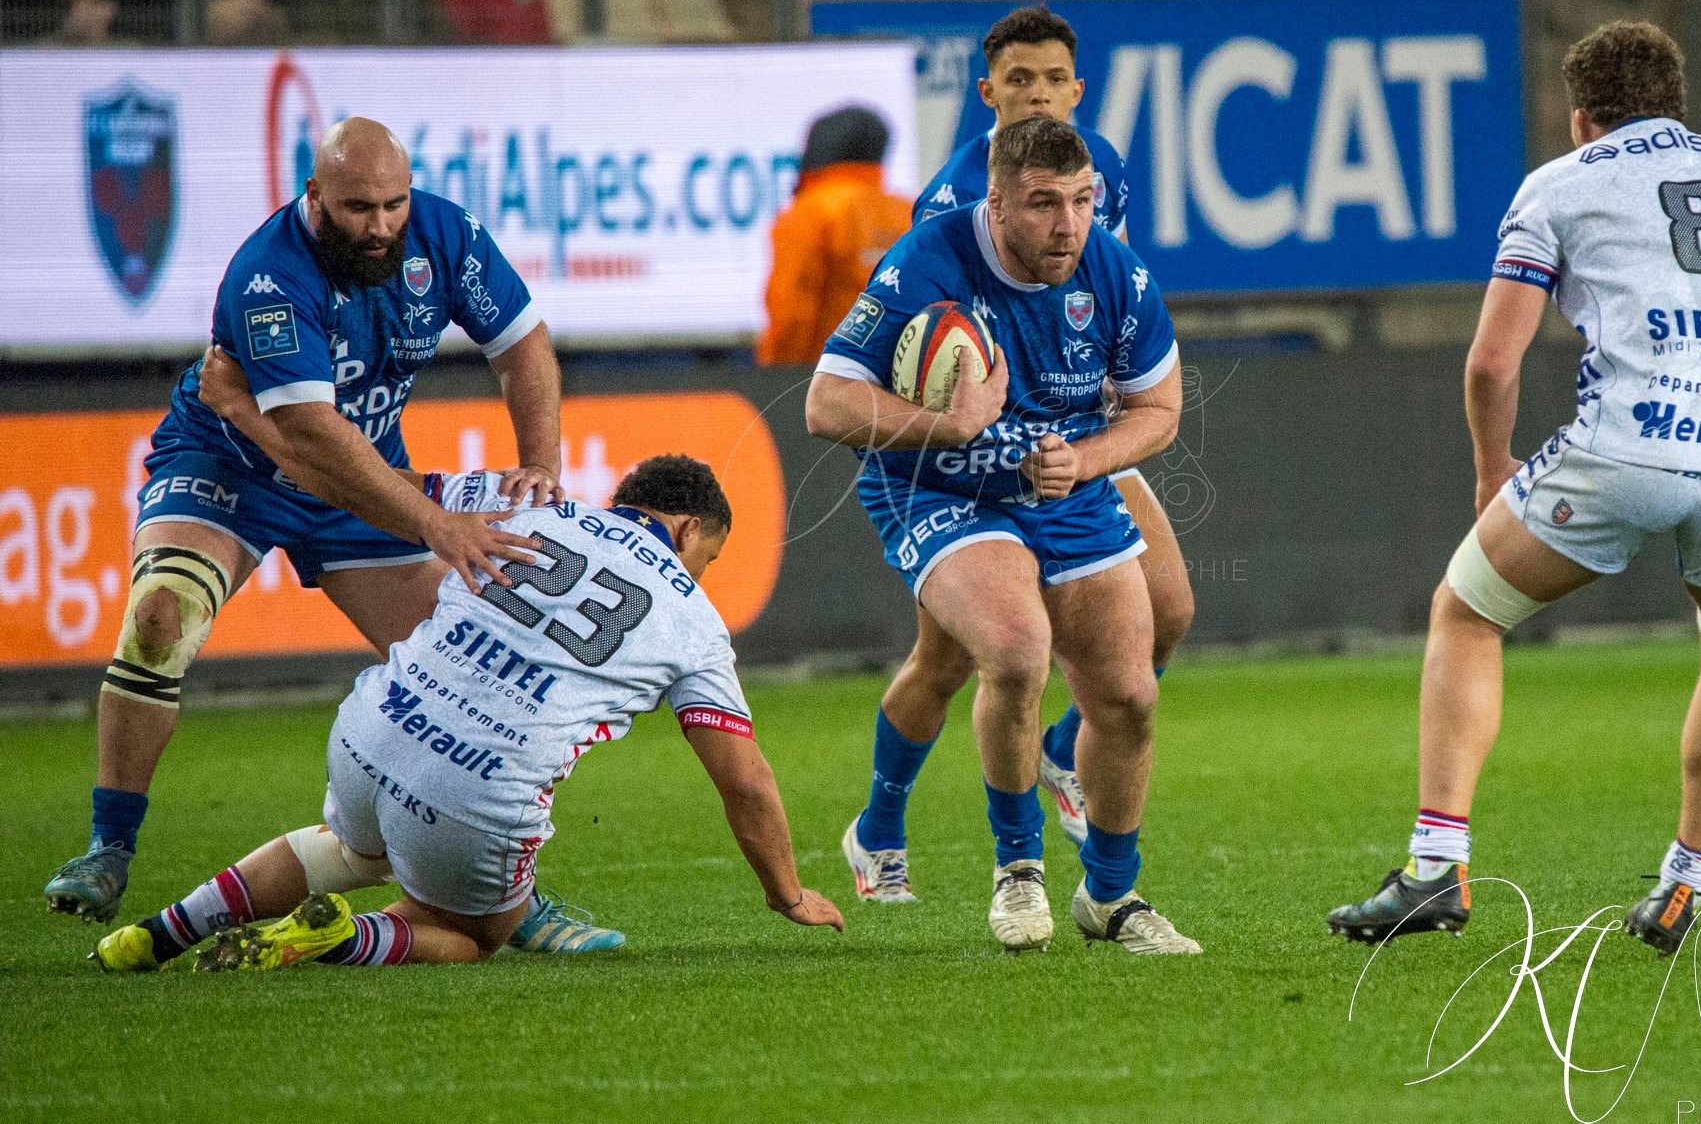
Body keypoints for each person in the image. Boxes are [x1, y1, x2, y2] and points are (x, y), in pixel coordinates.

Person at [1326, 21, 1701, 954]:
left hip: (1630, 447)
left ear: (1580, 120)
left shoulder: (1560, 185)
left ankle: (1437, 867)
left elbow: (1491, 362)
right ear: (1677, 103)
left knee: (1467, 613)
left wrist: (1493, 465)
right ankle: (1685, 886)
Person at [42, 118, 616, 955]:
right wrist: (433, 524)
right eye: (357, 208)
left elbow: (523, 345)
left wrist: (542, 465)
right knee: (161, 615)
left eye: (393, 204)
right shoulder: (269, 275)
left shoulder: (443, 236)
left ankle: (511, 898)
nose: (380, 225)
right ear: (314, 197)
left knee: (475, 683)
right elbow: (308, 444)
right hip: (234, 464)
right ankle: (108, 847)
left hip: (360, 475)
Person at [92, 457, 845, 972]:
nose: (699, 572)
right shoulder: (696, 621)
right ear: (686, 532)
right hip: (478, 797)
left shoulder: (533, 506)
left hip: (371, 727)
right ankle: (345, 938)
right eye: (705, 556)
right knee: (473, 934)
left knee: (346, 846)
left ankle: (155, 935)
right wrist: (787, 893)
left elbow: (392, 486)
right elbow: (744, 783)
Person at [808, 116, 1199, 955]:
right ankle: (1018, 873)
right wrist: (943, 426)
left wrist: (1088, 457)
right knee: (1016, 652)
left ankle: (1110, 896)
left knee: (1129, 695)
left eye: (1082, 201)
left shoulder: (1114, 271)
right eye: (1044, 204)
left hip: (1060, 483)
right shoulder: (926, 260)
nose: (1068, 225)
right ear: (997, 201)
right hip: (936, 486)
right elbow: (826, 405)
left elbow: (1159, 412)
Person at [756, 106, 912, 366]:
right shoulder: (910, 213)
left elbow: (792, 314)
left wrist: (775, 379)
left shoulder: (809, 214)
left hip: (823, 384)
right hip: (901, 385)